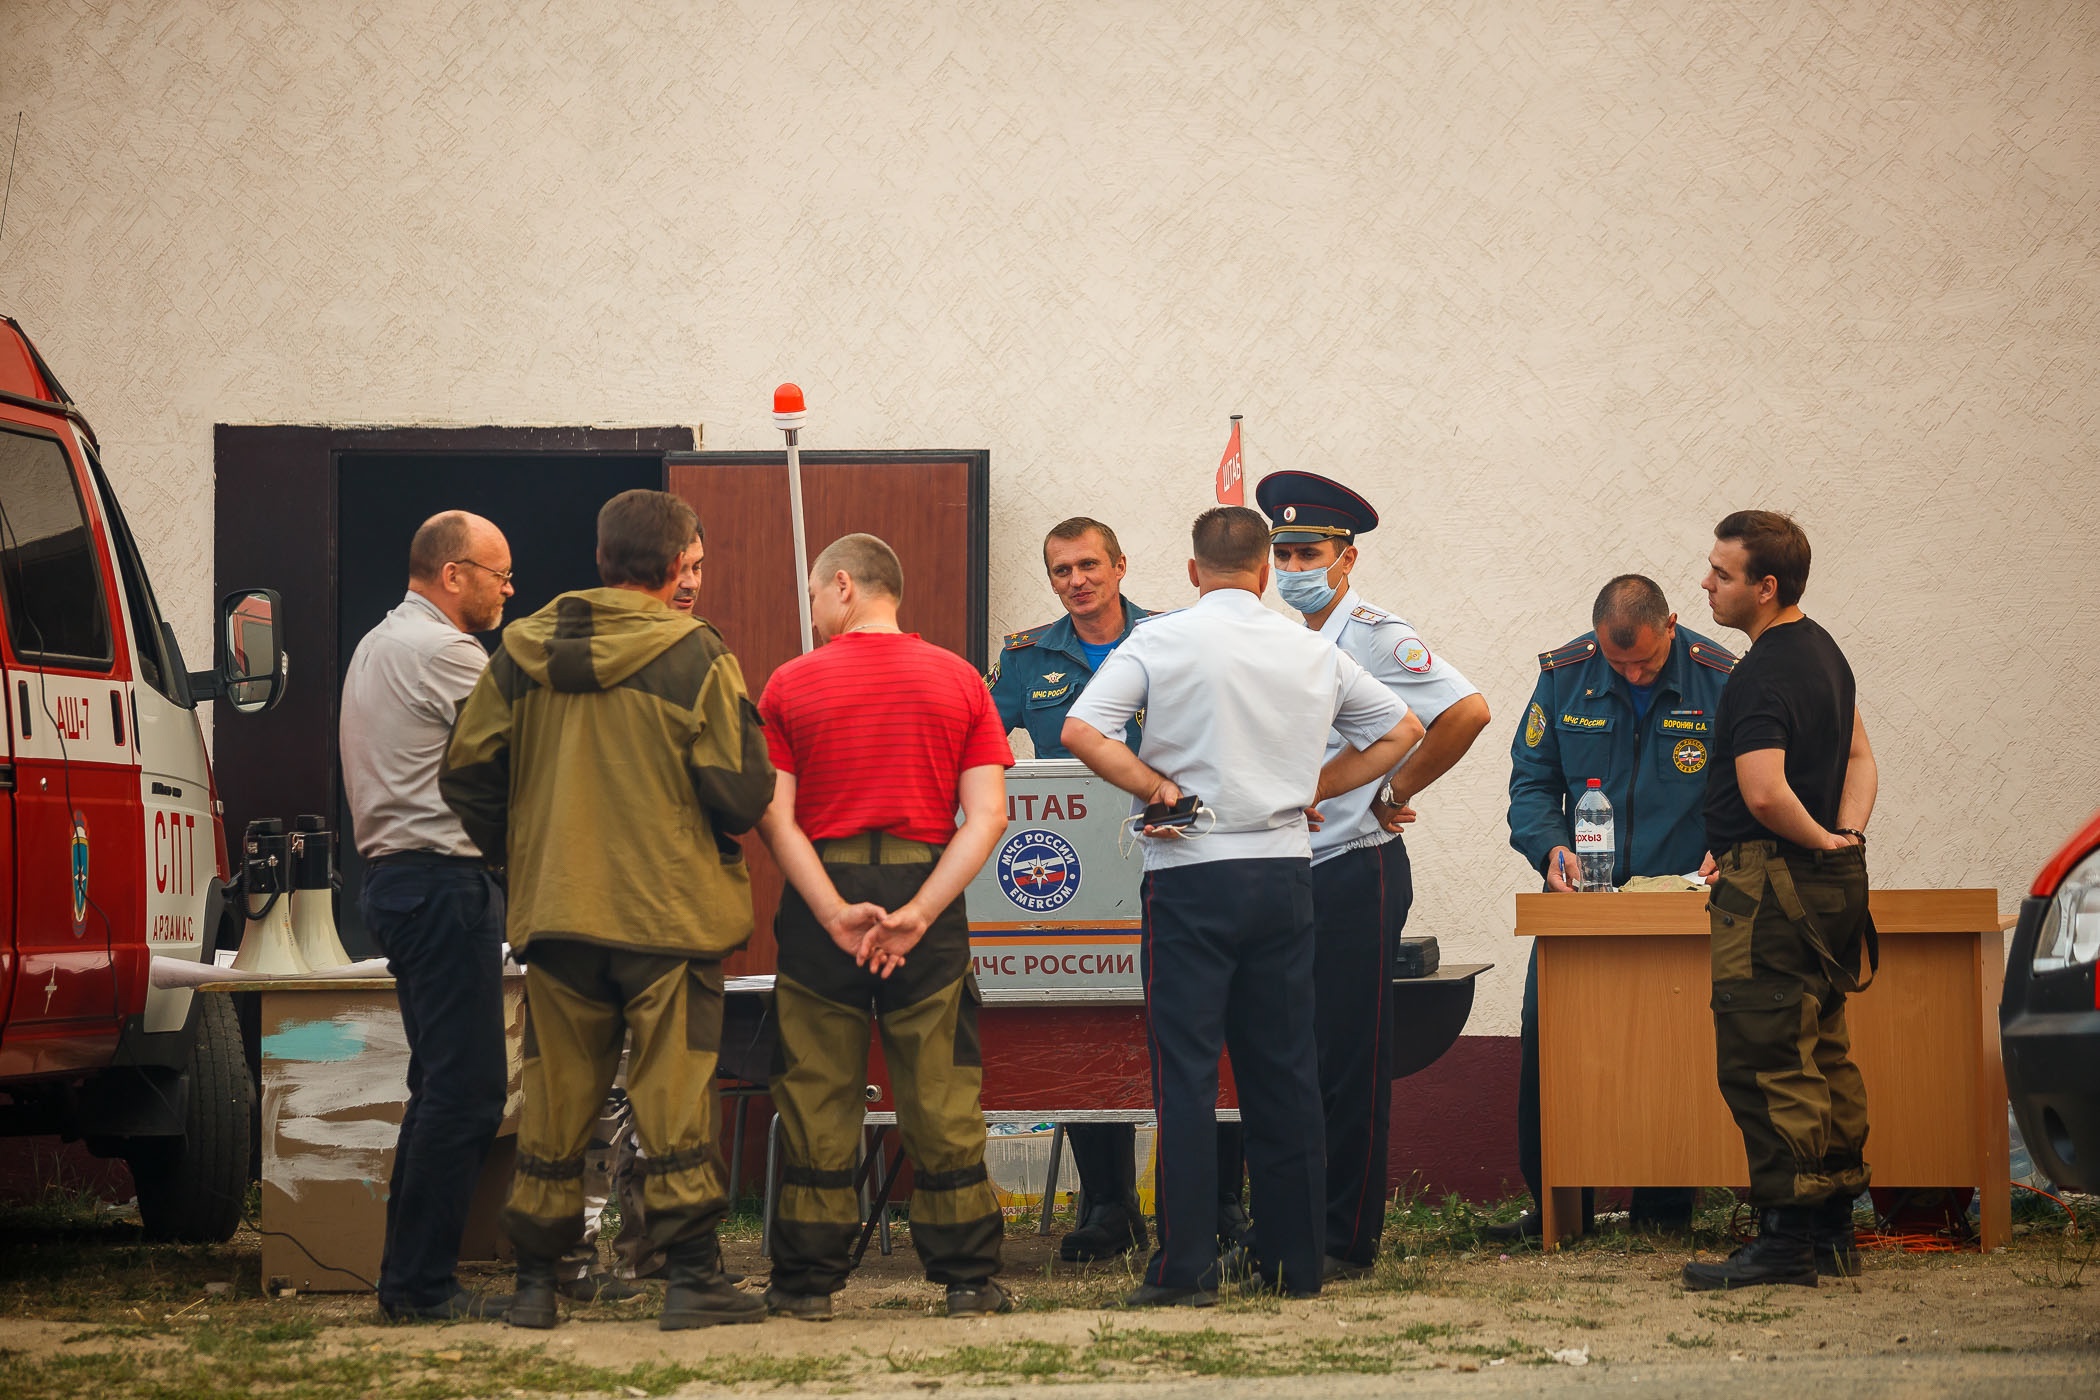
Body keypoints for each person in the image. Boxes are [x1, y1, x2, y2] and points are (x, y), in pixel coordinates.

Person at [1062, 506, 1423, 1307]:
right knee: (1287, 1072)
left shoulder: (1159, 640)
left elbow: (1084, 730)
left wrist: (1156, 788)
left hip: (1191, 874)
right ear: (1264, 573)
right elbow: (1401, 728)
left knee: (1187, 1074)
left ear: (1194, 572)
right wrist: (1314, 786)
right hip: (1284, 872)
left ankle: (1185, 1268)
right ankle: (1296, 1263)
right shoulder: (1310, 648)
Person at [441, 489, 775, 1331]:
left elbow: (466, 772)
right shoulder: (697, 654)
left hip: (558, 911)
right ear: (676, 565)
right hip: (670, 914)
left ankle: (535, 1285)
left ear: (602, 559)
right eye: (692, 564)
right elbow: (740, 793)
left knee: (556, 1097)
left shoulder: (519, 650)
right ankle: (690, 1280)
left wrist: (522, 854)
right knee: (675, 1094)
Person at [756, 533, 1016, 1321]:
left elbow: (776, 818)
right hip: (923, 893)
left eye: (812, 594)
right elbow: (988, 816)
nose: (812, 611)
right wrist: (920, 912)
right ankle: (967, 1279)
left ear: (843, 585)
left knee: (815, 1091)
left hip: (821, 898)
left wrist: (833, 910)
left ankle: (805, 1285)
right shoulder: (961, 680)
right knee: (940, 1089)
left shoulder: (790, 682)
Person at [990, 518, 1251, 1263]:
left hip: (1185, 854)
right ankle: (1108, 1204)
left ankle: (1219, 1201)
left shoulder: (1173, 637)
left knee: (1208, 1018)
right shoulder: (1026, 658)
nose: (1077, 580)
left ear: (1120, 566)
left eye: (1089, 565)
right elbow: (982, 740)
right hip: (1074, 876)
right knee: (1086, 1014)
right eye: (1061, 570)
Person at [1256, 472, 1490, 1279]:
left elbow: (1465, 711)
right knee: (1299, 1052)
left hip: (1357, 867)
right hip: (1296, 867)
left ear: (1346, 559)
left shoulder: (1375, 636)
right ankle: (1293, 1224)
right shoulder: (1288, 638)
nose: (1294, 567)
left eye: (1309, 553)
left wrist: (1397, 789)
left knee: (1349, 1057)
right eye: (1283, 553)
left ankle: (1344, 1238)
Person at [1493, 575, 1736, 1244]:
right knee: (1552, 1037)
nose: (1631, 673)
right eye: (1617, 660)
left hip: (1682, 906)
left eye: (1645, 662)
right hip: (1583, 904)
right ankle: (1557, 1207)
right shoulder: (1565, 676)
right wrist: (1550, 849)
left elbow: (1752, 782)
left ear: (1672, 626)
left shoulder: (1720, 678)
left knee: (1673, 1046)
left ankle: (1664, 1207)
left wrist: (1731, 845)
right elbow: (1531, 783)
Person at [1683, 510, 1877, 1291]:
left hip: (1771, 885)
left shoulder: (1761, 671)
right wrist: (1843, 836)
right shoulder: (1823, 651)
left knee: (1767, 1056)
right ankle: (1832, 1231)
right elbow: (1860, 756)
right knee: (1822, 1047)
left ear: (1765, 587)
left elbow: (1763, 793)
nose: (1706, 583)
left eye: (1722, 573)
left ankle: (1786, 1240)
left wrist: (1810, 836)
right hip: (1827, 882)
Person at [340, 510, 515, 1322]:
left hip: (397, 882)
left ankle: (409, 1279)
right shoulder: (445, 651)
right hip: (443, 883)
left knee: (439, 1084)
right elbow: (519, 750)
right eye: (499, 576)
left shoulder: (378, 644)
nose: (508, 591)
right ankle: (419, 1287)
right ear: (453, 574)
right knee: (469, 1091)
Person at [558, 534, 711, 1300]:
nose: (689, 583)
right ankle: (576, 1254)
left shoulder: (699, 658)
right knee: (603, 1095)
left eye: (698, 568)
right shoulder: (573, 660)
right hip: (603, 906)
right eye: (678, 568)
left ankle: (648, 1253)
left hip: (663, 909)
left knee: (659, 1095)